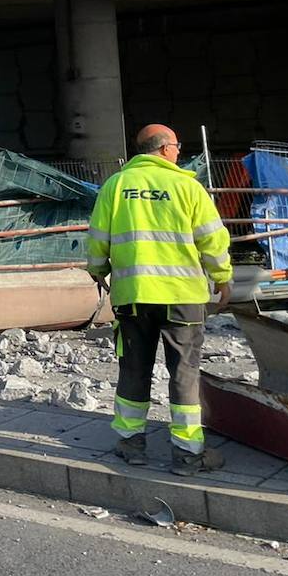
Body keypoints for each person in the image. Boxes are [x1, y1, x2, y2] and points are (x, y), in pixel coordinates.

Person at [85, 124, 232, 476]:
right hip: (182, 298)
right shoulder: (187, 186)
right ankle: (186, 454)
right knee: (184, 371)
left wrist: (97, 269)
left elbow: (97, 238)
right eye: (178, 145)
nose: (179, 151)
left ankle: (131, 444)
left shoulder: (116, 186)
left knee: (134, 368)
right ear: (165, 148)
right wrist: (223, 278)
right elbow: (212, 239)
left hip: (133, 296)